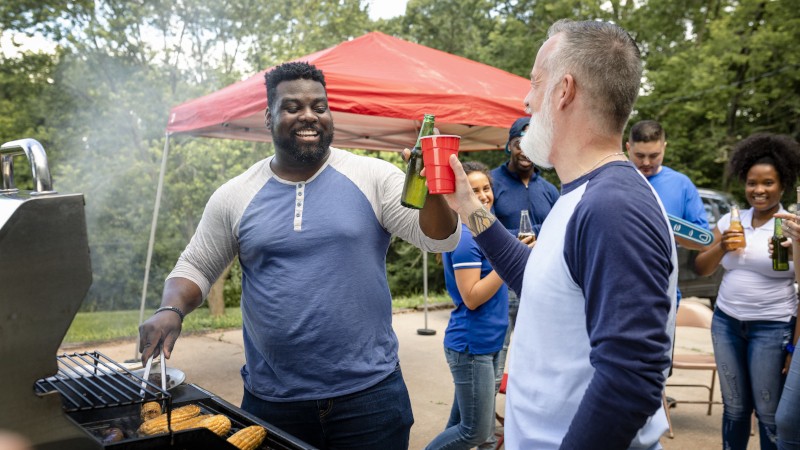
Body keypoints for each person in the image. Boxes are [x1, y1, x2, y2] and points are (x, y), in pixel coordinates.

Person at [137, 62, 461, 450]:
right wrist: (170, 309)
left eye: (319, 107)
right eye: (293, 107)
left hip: (370, 398)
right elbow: (196, 265)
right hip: (273, 401)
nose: (309, 115)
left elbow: (439, 240)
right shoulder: (236, 194)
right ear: (269, 116)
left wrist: (435, 185)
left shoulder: (374, 177)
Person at [431, 19, 677, 450]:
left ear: (563, 91)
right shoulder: (581, 193)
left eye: (534, 82)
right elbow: (543, 281)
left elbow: (631, 376)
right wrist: (469, 210)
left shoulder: (613, 205)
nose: (526, 100)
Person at [694, 132, 800, 450]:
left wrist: (795, 247)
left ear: (783, 185)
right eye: (752, 183)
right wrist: (722, 245)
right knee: (736, 409)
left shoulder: (791, 225)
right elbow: (701, 268)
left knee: (768, 412)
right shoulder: (731, 220)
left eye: (768, 183)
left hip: (772, 326)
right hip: (726, 322)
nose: (759, 190)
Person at [425, 162, 511, 450]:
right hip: (472, 346)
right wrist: (507, 261)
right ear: (460, 194)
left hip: (491, 341)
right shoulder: (465, 238)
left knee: (459, 425)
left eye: (486, 188)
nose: (483, 195)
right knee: (474, 432)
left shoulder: (486, 230)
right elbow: (472, 297)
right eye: (474, 190)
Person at [491, 116, 559, 397]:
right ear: (509, 145)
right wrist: (517, 237)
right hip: (504, 284)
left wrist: (538, 231)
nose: (526, 151)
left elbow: (561, 227)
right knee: (497, 359)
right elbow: (484, 226)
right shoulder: (492, 183)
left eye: (534, 145)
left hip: (543, 283)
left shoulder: (550, 189)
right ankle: (483, 433)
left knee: (541, 356)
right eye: (520, 144)